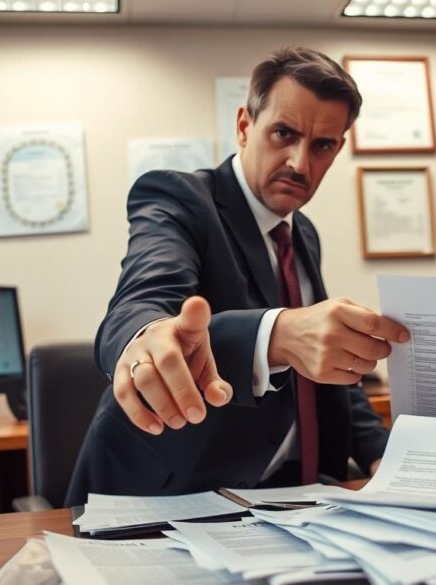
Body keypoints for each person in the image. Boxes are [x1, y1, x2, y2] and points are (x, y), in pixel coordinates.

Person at [66, 47, 410, 504]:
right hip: (167, 496)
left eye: (322, 145)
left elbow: (326, 375)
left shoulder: (302, 233)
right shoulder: (178, 198)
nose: (299, 164)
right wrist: (148, 335)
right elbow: (140, 302)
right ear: (245, 126)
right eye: (283, 133)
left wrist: (379, 454)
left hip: (292, 497)